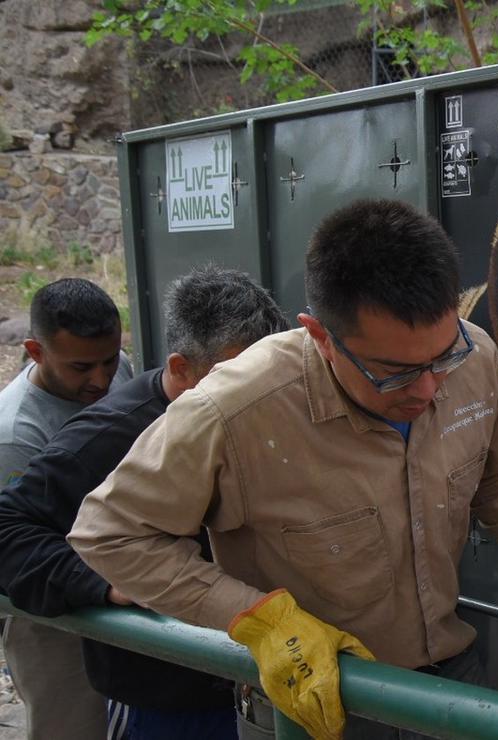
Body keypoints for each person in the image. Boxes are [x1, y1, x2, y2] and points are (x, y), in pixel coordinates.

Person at [69, 199, 498, 740]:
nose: (427, 390)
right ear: (322, 337)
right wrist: (258, 618)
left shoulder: (476, 358)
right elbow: (110, 534)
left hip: (447, 682)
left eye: (441, 358)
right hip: (312, 707)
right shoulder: (235, 409)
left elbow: (497, 482)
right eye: (395, 372)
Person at [0, 265, 289, 740]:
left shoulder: (258, 412)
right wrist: (103, 581)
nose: (256, 395)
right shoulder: (101, 438)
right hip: (164, 700)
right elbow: (9, 531)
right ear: (180, 368)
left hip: (246, 681)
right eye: (234, 379)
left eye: (265, 376)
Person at [0, 277, 132, 740]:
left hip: (121, 585)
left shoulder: (119, 375)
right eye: (81, 367)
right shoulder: (15, 434)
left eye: (110, 360)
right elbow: (18, 550)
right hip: (52, 616)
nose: (101, 379)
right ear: (35, 351)